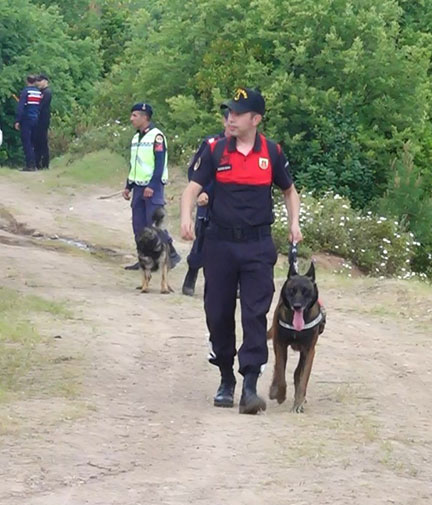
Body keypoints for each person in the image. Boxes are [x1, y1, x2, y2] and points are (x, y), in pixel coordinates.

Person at [179, 87, 302, 414]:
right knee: (217, 312)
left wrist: (294, 223)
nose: (230, 118)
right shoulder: (215, 150)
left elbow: (290, 190)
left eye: (237, 113)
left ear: (255, 119)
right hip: (219, 244)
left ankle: (249, 384)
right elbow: (191, 189)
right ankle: (225, 378)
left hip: (257, 245)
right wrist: (185, 216)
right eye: (228, 112)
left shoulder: (272, 153)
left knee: (254, 312)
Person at [181, 114, 234, 296]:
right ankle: (192, 273)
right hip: (207, 202)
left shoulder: (244, 147)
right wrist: (202, 192)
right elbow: (195, 171)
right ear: (224, 121)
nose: (232, 123)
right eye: (229, 119)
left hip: (231, 204)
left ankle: (233, 284)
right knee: (202, 240)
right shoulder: (211, 144)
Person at [124, 102, 180, 270]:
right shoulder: (136, 137)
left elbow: (160, 163)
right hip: (138, 187)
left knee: (154, 223)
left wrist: (153, 185)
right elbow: (135, 164)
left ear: (145, 117)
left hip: (152, 187)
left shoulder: (157, 137)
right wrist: (128, 185)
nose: (131, 119)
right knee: (138, 225)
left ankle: (171, 254)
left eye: (135, 115)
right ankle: (144, 259)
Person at [14, 75, 43, 171]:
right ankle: (35, 164)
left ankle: (29, 165)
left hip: (26, 119)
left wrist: (18, 120)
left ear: (27, 81)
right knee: (33, 142)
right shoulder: (38, 93)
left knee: (27, 142)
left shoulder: (26, 92)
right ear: (35, 81)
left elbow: (21, 107)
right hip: (36, 119)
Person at [32, 74, 52, 170]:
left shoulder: (47, 92)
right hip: (38, 120)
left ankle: (45, 164)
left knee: (43, 141)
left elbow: (41, 105)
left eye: (40, 81)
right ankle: (37, 163)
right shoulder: (40, 92)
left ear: (45, 81)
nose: (38, 83)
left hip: (43, 120)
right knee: (37, 142)